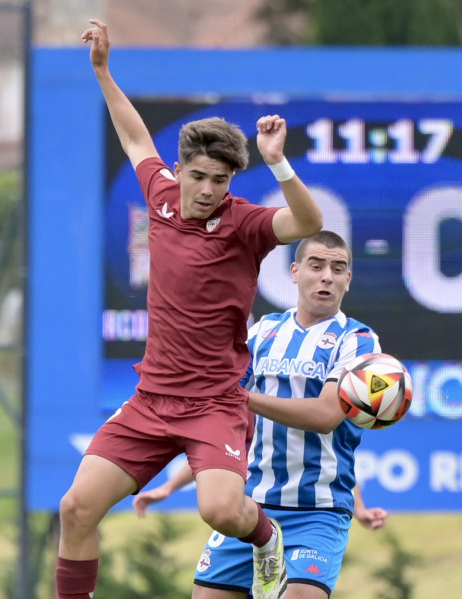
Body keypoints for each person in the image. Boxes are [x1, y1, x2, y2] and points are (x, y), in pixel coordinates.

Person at [56, 20, 323, 599]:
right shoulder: (159, 195)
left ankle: (269, 539)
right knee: (76, 508)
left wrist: (278, 163)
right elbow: (134, 139)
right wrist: (103, 72)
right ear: (179, 171)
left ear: (232, 181)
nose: (207, 189)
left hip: (213, 404)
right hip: (152, 399)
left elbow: (308, 224)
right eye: (198, 176)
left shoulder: (246, 223)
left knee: (223, 512)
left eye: (219, 180)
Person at [133, 230, 388, 599]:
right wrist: (171, 486)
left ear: (348, 280)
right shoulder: (265, 331)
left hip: (316, 513)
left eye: (338, 268)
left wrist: (242, 398)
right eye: (316, 266)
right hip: (250, 508)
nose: (327, 276)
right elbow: (228, 429)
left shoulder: (359, 341)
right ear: (295, 272)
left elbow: (326, 418)